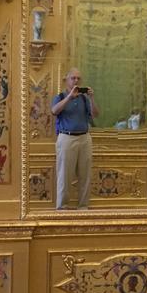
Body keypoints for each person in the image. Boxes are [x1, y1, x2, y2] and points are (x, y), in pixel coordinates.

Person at [50, 68, 96, 209]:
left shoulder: (84, 98)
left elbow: (95, 114)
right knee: (64, 175)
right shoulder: (60, 96)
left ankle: (83, 207)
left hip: (84, 138)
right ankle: (62, 207)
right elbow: (54, 111)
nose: (76, 81)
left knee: (85, 175)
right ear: (67, 80)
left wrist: (91, 98)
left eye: (78, 78)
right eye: (73, 78)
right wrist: (69, 97)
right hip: (67, 138)